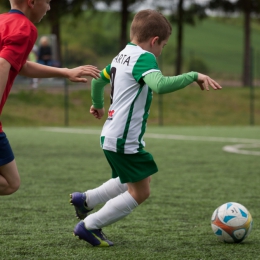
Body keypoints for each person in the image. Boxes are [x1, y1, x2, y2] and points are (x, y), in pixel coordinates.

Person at [70, 9, 222, 247]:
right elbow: (159, 85)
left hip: (111, 134)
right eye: (163, 45)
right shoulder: (144, 57)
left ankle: (86, 199)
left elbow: (99, 79)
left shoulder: (121, 55)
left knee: (134, 179)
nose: (161, 51)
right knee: (141, 191)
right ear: (154, 41)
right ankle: (89, 225)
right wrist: (193, 75)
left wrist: (97, 105)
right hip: (123, 138)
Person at [0, 0, 100, 196]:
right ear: (32, 2)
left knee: (11, 182)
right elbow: (4, 63)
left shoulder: (2, 21)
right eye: (47, 2)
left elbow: (22, 65)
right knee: (10, 183)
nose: (49, 7)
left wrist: (65, 72)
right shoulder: (25, 28)